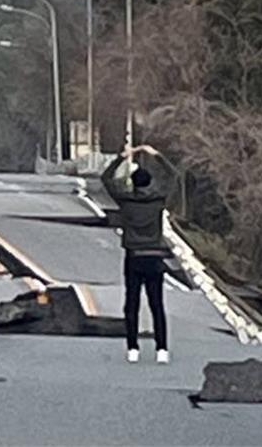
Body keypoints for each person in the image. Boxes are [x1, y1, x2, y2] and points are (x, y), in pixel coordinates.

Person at [101, 143, 178, 364]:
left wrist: (123, 157)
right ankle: (162, 349)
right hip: (155, 257)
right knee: (157, 304)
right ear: (150, 183)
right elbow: (173, 177)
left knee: (132, 304)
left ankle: (133, 348)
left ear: (133, 183)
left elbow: (106, 178)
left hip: (134, 257)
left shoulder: (126, 201)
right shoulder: (158, 200)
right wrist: (157, 155)